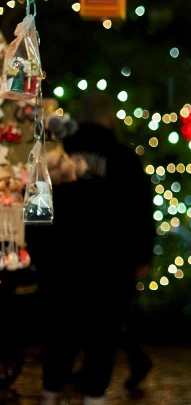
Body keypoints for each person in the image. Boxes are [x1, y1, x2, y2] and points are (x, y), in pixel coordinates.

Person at [37, 92, 153, 405]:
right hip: (110, 265)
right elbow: (141, 208)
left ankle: (50, 393)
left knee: (61, 333)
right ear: (109, 117)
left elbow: (37, 204)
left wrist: (39, 251)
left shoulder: (57, 153)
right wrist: (142, 253)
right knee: (102, 337)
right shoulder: (123, 158)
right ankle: (94, 396)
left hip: (61, 262)